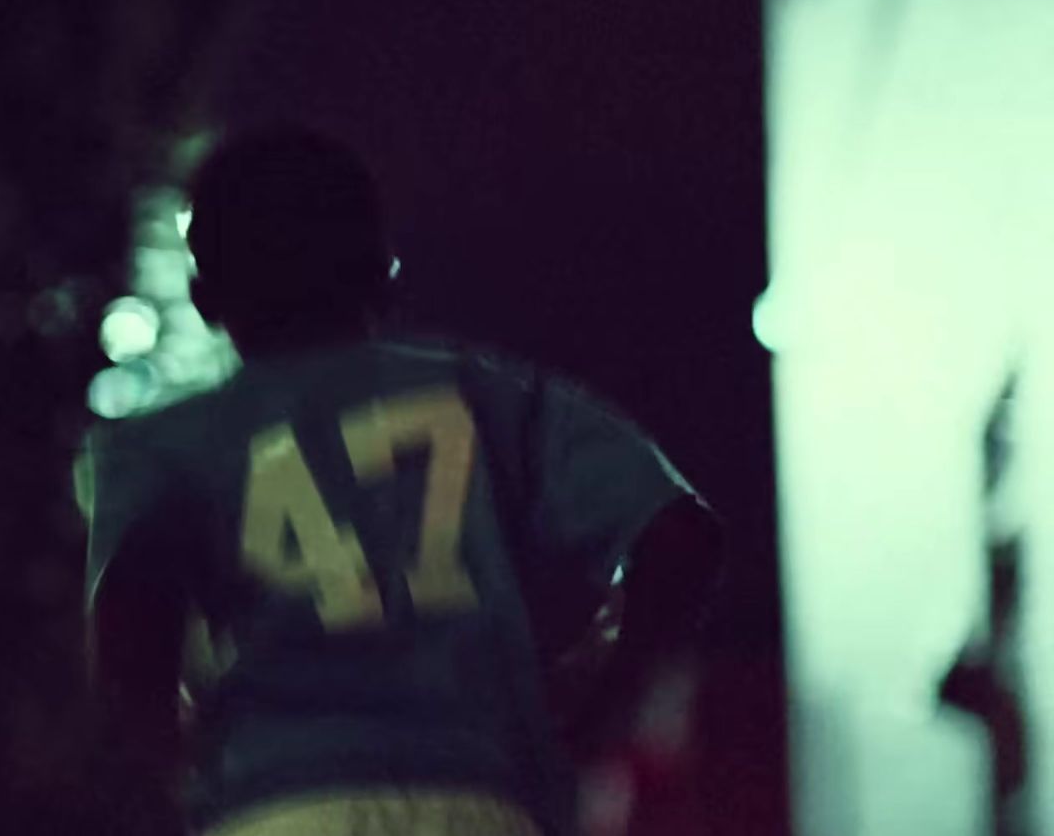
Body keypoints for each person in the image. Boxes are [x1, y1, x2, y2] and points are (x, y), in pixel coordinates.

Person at [78, 126, 723, 836]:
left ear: (206, 294)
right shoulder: (490, 396)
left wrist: (178, 762)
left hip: (282, 801)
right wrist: (603, 705)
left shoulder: (165, 442)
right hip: (479, 797)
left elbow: (132, 630)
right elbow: (682, 533)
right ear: (382, 269)